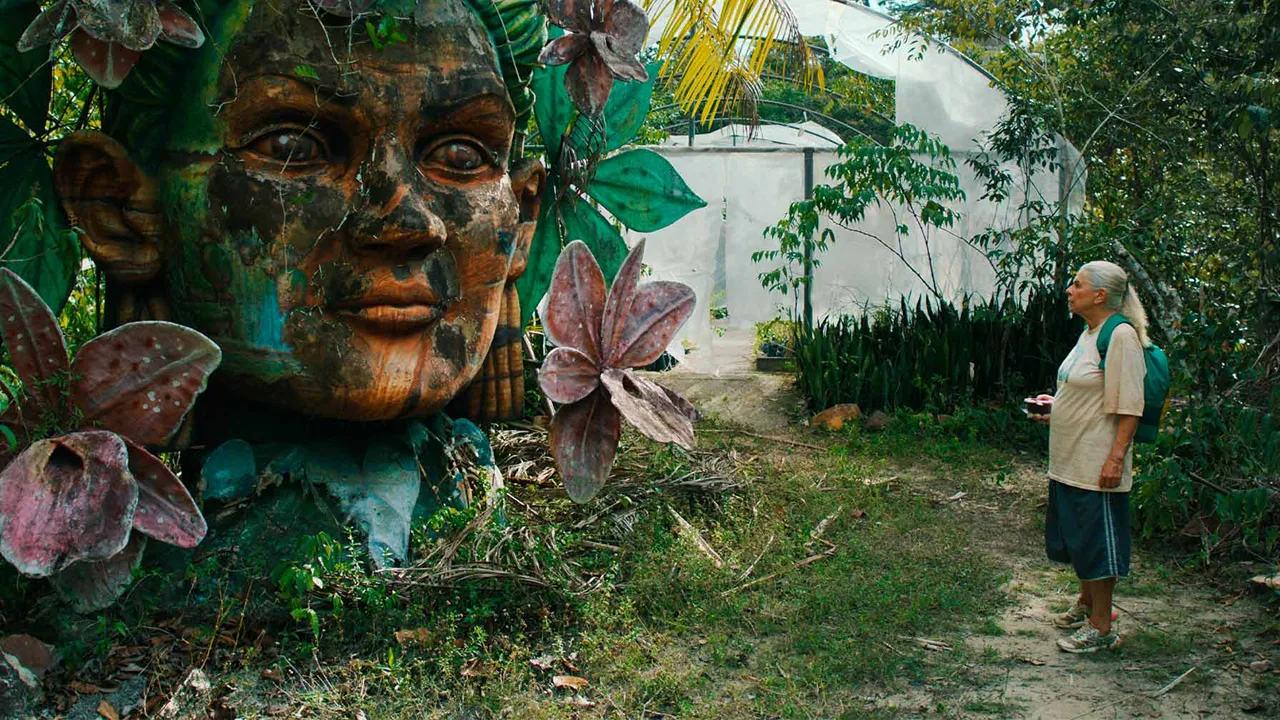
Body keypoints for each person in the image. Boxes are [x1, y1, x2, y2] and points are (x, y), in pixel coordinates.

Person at [1029, 260, 1148, 653]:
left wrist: (1116, 459)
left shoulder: (1121, 337)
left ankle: (1102, 627)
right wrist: (1055, 404)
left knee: (1097, 543)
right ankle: (1086, 604)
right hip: (1070, 459)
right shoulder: (1089, 333)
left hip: (1097, 463)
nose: (1069, 290)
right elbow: (1085, 388)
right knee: (1078, 538)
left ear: (1100, 295)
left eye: (1076, 284)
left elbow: (1130, 405)